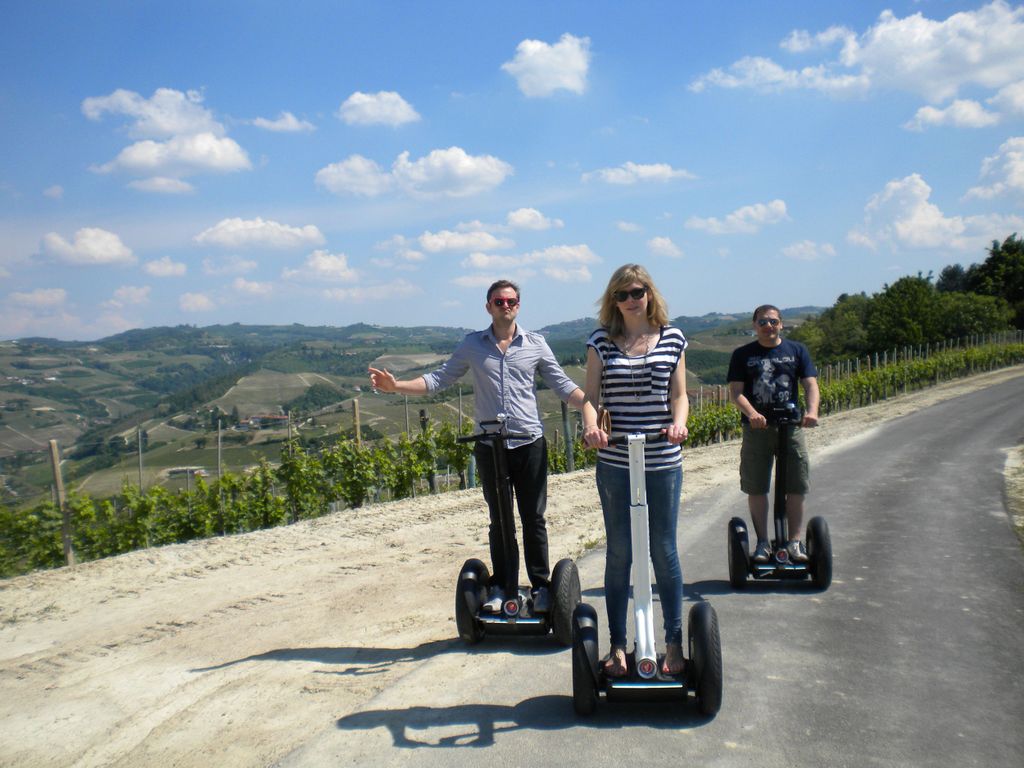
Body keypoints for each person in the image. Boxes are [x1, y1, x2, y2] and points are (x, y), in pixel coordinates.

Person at [368, 279, 584, 613]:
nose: (505, 306)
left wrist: (592, 405)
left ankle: (541, 587)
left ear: (518, 305)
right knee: (500, 521)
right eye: (499, 301)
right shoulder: (472, 345)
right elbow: (439, 379)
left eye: (510, 301)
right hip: (490, 446)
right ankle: (502, 586)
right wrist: (397, 386)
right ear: (488, 307)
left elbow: (563, 385)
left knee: (533, 519)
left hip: (529, 443)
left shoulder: (536, 344)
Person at [581, 264, 689, 677]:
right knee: (620, 552)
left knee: (663, 548)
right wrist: (591, 427)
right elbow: (591, 396)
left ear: (649, 294)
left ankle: (674, 643)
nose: (630, 300)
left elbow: (679, 395)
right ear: (613, 300)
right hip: (615, 459)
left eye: (637, 292)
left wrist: (679, 424)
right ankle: (617, 646)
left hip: (662, 458)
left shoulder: (672, 338)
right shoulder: (601, 342)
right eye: (622, 294)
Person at [726, 304, 820, 564]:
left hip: (791, 427)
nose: (768, 326)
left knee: (796, 485)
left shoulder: (797, 350)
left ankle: (794, 542)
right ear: (754, 325)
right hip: (757, 429)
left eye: (773, 322)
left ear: (781, 324)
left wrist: (812, 411)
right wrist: (752, 413)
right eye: (763, 322)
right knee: (756, 486)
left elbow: (810, 384)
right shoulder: (743, 354)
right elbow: (736, 392)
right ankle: (763, 543)